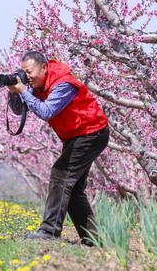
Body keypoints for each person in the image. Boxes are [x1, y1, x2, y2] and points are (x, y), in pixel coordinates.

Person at [6, 51, 109, 246]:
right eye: (24, 73)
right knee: (73, 189)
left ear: (44, 67)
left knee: (60, 175)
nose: (27, 77)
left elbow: (47, 111)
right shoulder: (37, 84)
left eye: (30, 72)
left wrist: (24, 91)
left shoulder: (63, 83)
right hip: (75, 136)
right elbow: (19, 110)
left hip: (91, 133)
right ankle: (94, 239)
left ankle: (49, 230)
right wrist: (14, 92)